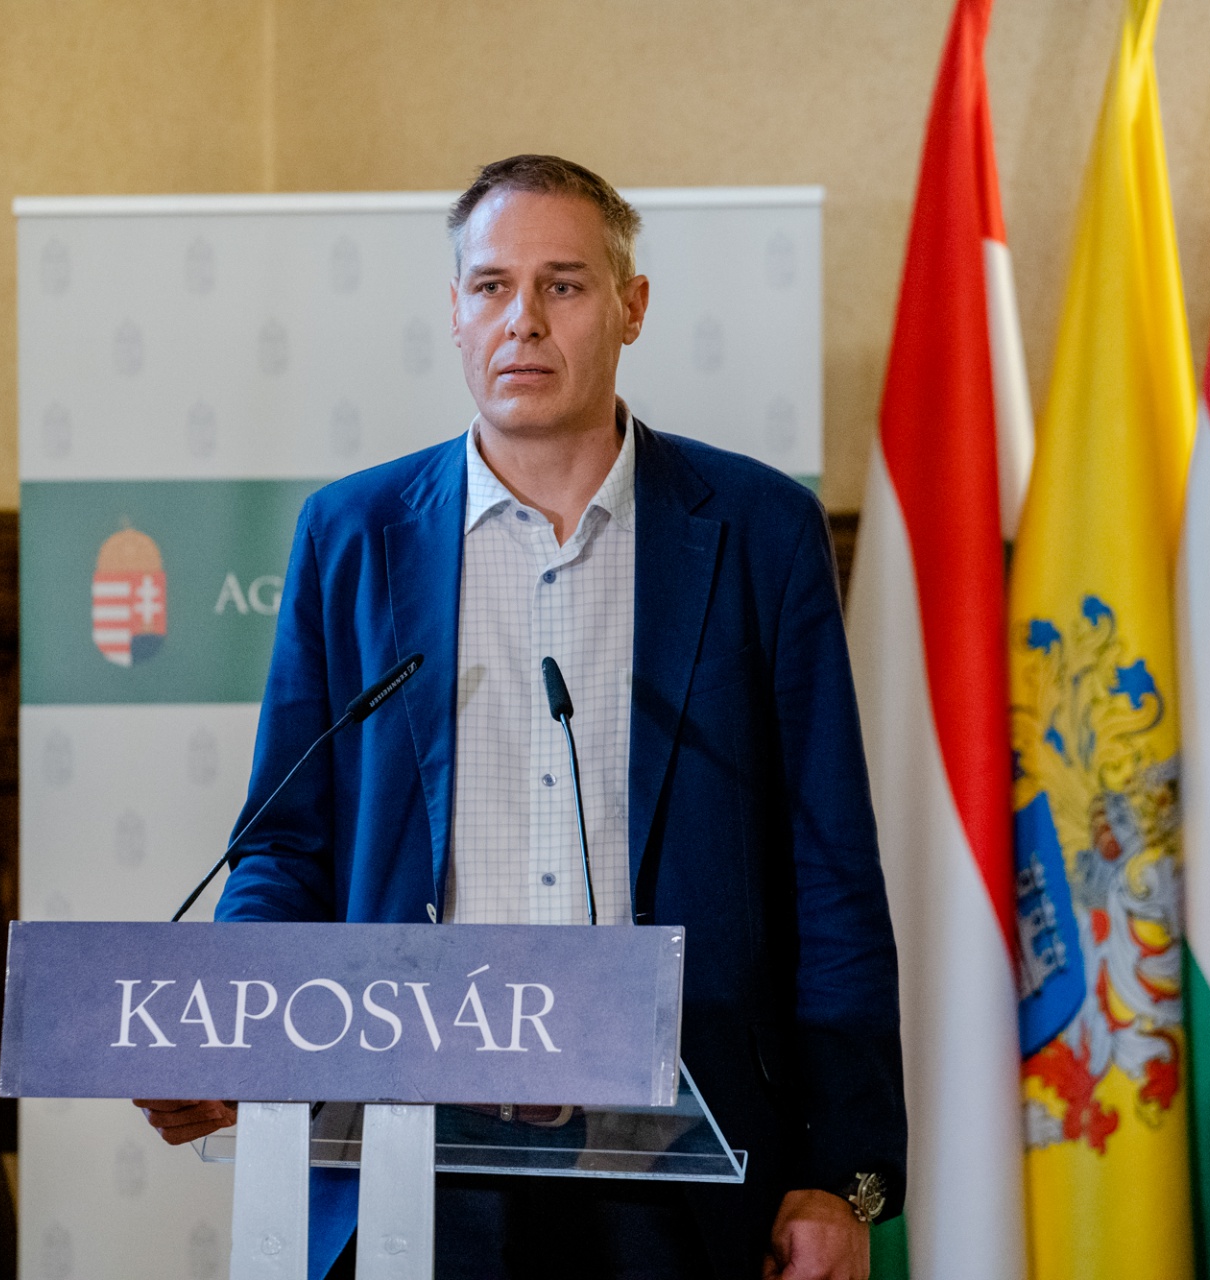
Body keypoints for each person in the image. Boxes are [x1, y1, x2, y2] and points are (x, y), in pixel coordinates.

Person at [137, 154, 904, 1280]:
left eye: (564, 285)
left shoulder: (759, 532)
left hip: (682, 1162)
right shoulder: (352, 534)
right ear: (454, 310)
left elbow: (827, 870)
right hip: (408, 1155)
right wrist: (233, 1027)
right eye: (492, 286)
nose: (523, 321)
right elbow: (284, 846)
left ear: (632, 307)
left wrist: (843, 1174)